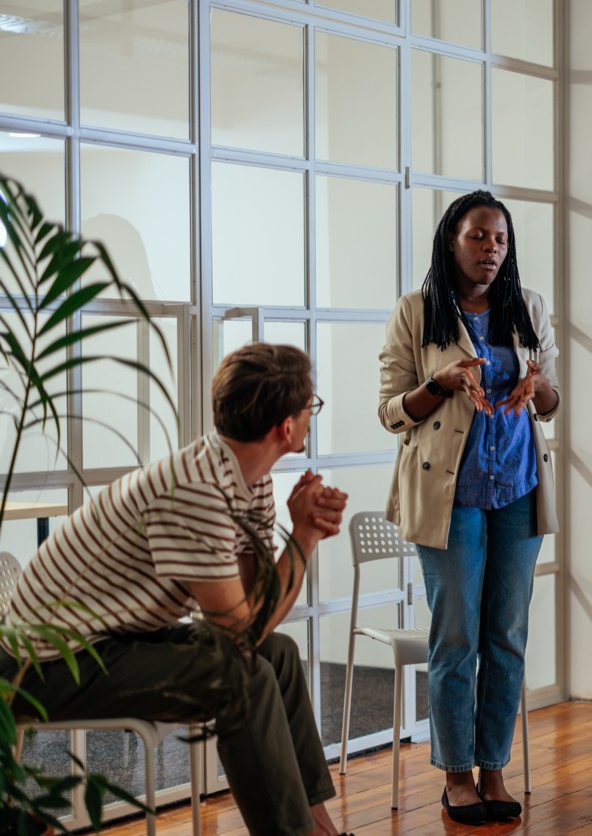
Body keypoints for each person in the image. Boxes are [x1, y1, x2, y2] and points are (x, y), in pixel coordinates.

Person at [0, 343, 350, 836]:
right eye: (310, 405)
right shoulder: (196, 491)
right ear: (286, 427)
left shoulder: (248, 482)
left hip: (111, 641)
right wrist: (305, 538)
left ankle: (318, 827)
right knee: (242, 678)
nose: (312, 415)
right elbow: (237, 639)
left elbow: (256, 615)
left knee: (279, 655)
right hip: (42, 666)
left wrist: (301, 534)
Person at [377, 189, 559, 826]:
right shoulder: (417, 311)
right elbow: (390, 412)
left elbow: (551, 403)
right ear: (451, 241)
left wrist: (538, 386)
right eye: (478, 236)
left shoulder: (528, 306)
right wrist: (442, 382)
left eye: (501, 239)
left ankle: (494, 768)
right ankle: (456, 775)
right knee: (456, 637)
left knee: (506, 635)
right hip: (448, 497)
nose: (491, 249)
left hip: (518, 490)